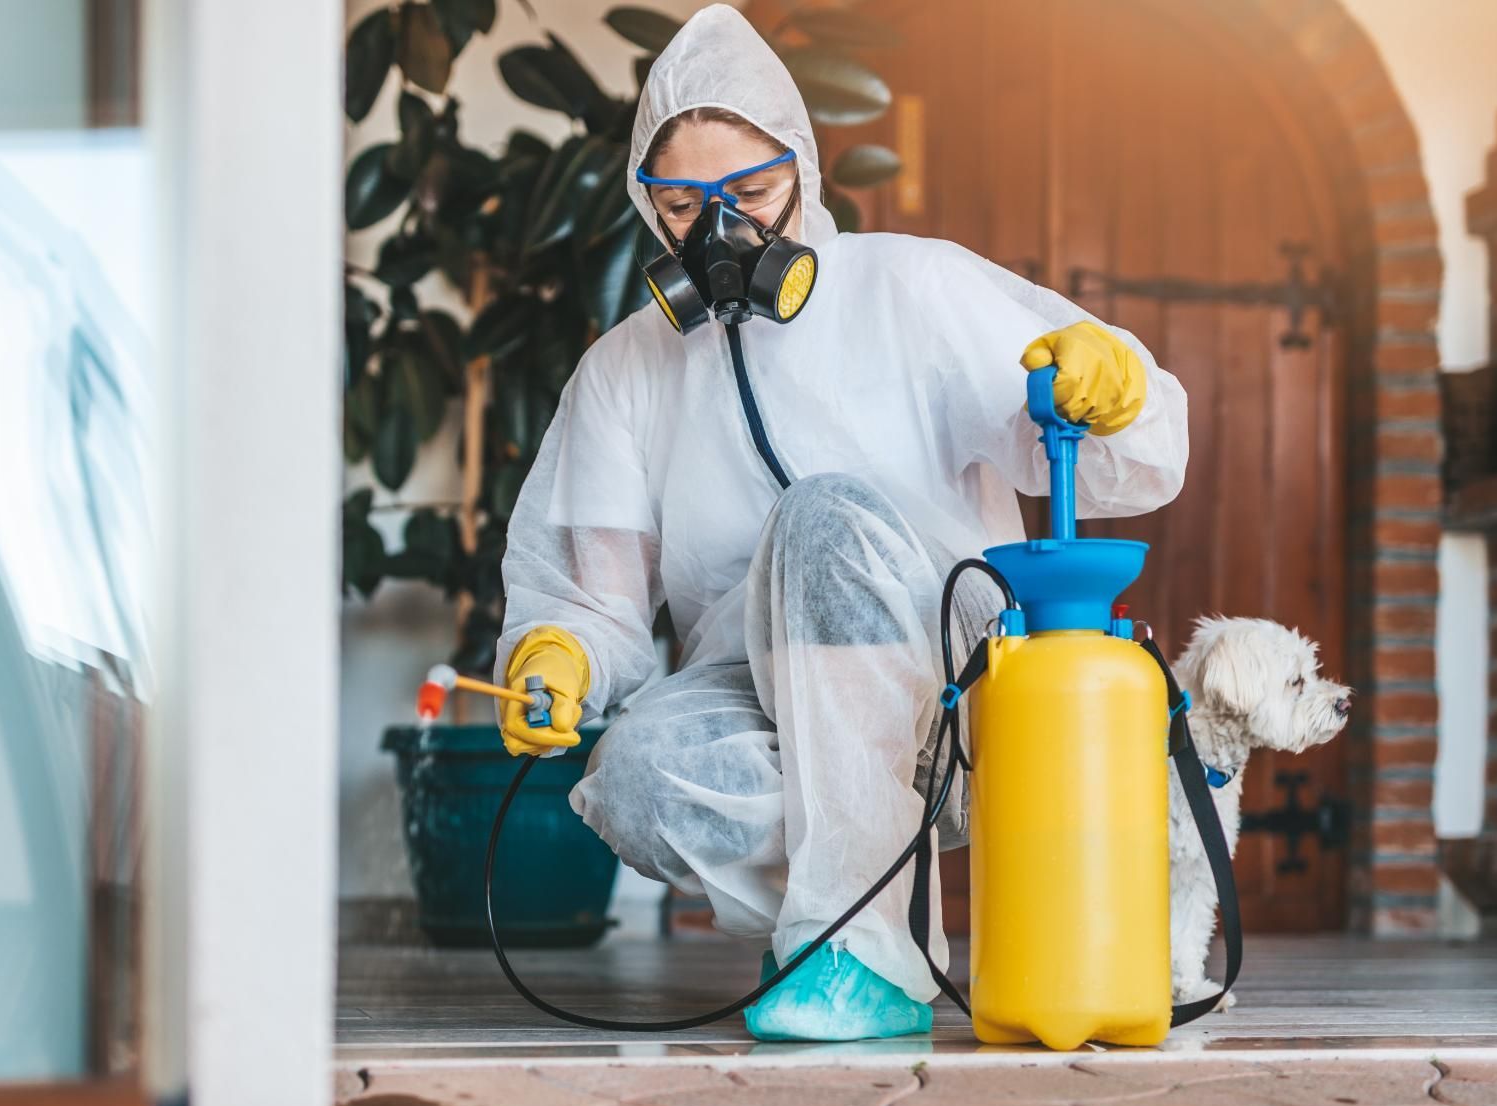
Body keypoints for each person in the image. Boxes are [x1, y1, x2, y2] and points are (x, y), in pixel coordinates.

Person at [494, 4, 1188, 1041]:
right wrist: (558, 655)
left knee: (817, 514)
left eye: (751, 192)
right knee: (633, 774)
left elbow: (1134, 455)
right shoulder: (627, 370)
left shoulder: (909, 289)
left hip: (951, 699)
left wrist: (1112, 388)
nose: (721, 230)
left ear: (803, 170)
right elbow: (597, 600)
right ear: (647, 204)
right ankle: (847, 925)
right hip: (757, 702)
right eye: (683, 203)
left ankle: (867, 953)